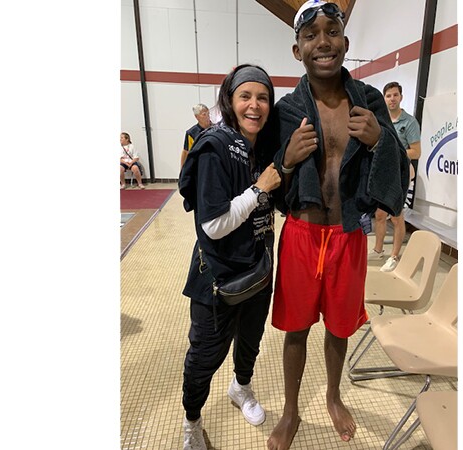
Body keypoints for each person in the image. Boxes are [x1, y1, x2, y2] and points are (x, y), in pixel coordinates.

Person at [267, 2, 409, 449]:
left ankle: (332, 396)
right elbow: (265, 174)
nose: (323, 42)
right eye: (311, 35)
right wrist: (286, 160)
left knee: (340, 326)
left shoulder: (368, 101)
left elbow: (398, 167)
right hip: (301, 232)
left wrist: (380, 140)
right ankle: (291, 410)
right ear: (297, 50)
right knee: (296, 328)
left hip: (347, 235)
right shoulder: (287, 110)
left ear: (345, 43)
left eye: (332, 32)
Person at [177, 64, 282, 450]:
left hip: (258, 268)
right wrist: (259, 188)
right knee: (205, 355)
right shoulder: (215, 146)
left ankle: (241, 387)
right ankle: (192, 421)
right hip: (218, 276)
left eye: (263, 98)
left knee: (251, 340)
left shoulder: (264, 148)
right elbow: (214, 224)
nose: (255, 105)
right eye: (245, 96)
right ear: (229, 100)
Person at [369, 81, 422, 272]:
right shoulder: (380, 120)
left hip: (401, 174)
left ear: (401, 97)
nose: (392, 99)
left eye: (395, 95)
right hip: (383, 173)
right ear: (384, 98)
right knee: (380, 214)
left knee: (396, 216)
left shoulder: (409, 122)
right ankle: (378, 250)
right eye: (388, 95)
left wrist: (393, 152)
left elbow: (416, 152)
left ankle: (394, 256)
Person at [181, 103, 212, 168]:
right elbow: (186, 152)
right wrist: (182, 170)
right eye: (204, 114)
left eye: (208, 114)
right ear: (196, 117)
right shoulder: (191, 133)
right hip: (199, 166)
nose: (208, 117)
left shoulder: (216, 129)